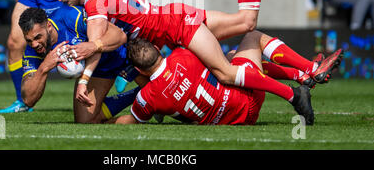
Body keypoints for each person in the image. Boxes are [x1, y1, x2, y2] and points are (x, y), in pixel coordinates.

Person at [42, 0, 343, 123]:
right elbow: (106, 39)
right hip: (174, 17)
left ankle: (294, 94)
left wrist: (83, 79)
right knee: (247, 24)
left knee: (225, 71)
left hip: (174, 28)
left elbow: (96, 41)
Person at [108, 34, 333, 126]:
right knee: (252, 38)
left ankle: (300, 76)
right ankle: (305, 74)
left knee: (234, 59)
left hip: (231, 121)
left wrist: (102, 122)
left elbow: (132, 121)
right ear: (158, 48)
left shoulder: (148, 98)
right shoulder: (184, 55)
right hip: (247, 99)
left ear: (139, 69)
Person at [18, 6, 144, 122]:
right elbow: (28, 100)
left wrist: (93, 46)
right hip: (98, 69)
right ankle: (138, 94)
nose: (34, 44)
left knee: (160, 98)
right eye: (29, 40)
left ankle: (145, 91)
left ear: (49, 26)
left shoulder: (72, 16)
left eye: (38, 37)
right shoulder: (32, 50)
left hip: (123, 54)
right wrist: (44, 67)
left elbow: (119, 36)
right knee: (85, 121)